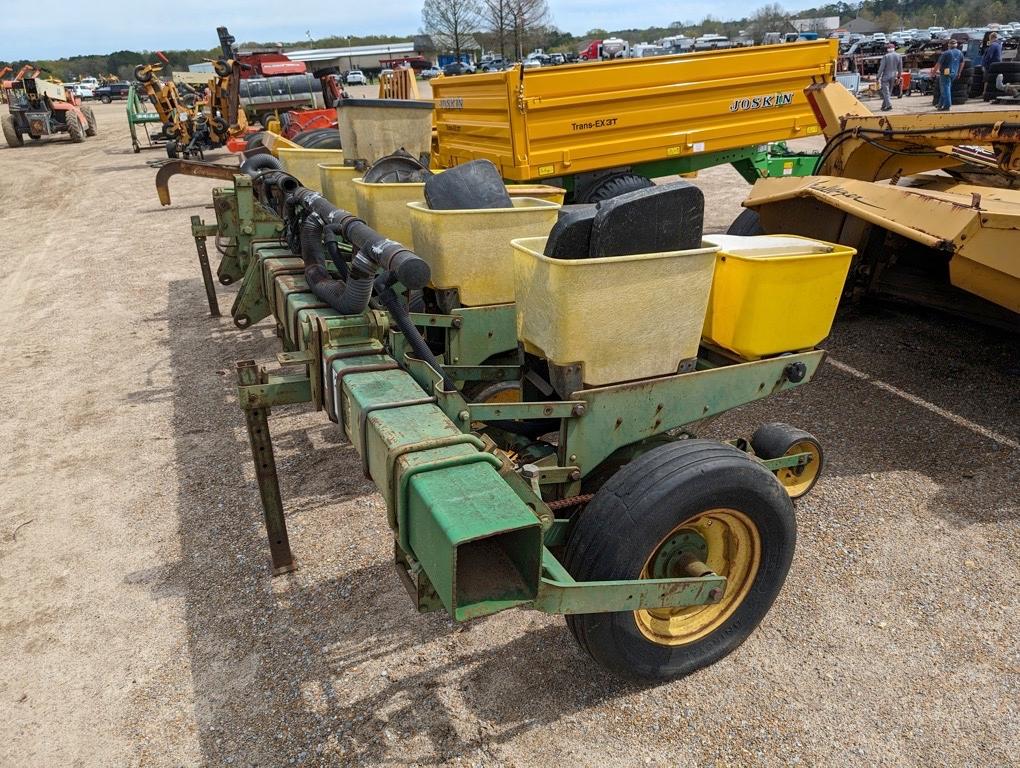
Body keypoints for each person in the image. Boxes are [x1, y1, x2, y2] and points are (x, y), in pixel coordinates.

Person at [935, 39, 964, 111]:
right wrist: (959, 72)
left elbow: (939, 64)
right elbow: (962, 63)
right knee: (945, 89)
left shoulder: (946, 53)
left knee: (945, 89)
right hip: (954, 73)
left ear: (949, 45)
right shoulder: (960, 53)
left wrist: (933, 72)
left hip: (945, 74)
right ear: (956, 45)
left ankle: (947, 105)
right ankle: (940, 104)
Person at [877, 43, 903, 111]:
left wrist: (878, 77)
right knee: (889, 92)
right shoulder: (899, 56)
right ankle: (884, 106)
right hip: (893, 76)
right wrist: (899, 77)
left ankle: (889, 106)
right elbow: (900, 68)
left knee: (886, 92)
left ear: (888, 49)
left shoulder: (886, 56)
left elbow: (881, 68)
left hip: (886, 76)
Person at [981, 32, 1003, 99]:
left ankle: (985, 94)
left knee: (986, 80)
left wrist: (984, 65)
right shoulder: (999, 45)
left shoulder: (993, 45)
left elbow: (989, 56)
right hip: (998, 65)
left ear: (991, 38)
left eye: (989, 38)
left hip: (990, 65)